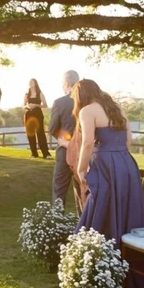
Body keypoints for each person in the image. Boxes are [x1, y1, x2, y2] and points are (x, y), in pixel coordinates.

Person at [73, 79, 144, 244]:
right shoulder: (117, 108)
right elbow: (128, 140)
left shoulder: (87, 111)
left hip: (104, 164)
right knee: (128, 205)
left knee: (100, 203)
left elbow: (87, 143)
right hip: (126, 163)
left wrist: (81, 169)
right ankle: (130, 251)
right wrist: (118, 153)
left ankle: (96, 250)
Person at [49, 70, 82, 212]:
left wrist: (64, 140)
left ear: (67, 84)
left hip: (65, 150)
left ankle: (56, 222)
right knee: (82, 190)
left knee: (59, 189)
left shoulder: (60, 102)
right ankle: (85, 225)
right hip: (83, 151)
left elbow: (52, 128)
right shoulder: (88, 101)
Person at [23, 78, 50, 159]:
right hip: (28, 114)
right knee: (30, 134)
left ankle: (46, 153)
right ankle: (34, 153)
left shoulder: (40, 93)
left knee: (40, 133)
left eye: (32, 82)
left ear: (35, 83)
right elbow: (23, 105)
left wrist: (36, 105)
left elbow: (45, 105)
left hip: (37, 114)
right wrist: (27, 106)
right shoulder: (26, 94)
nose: (30, 83)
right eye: (29, 82)